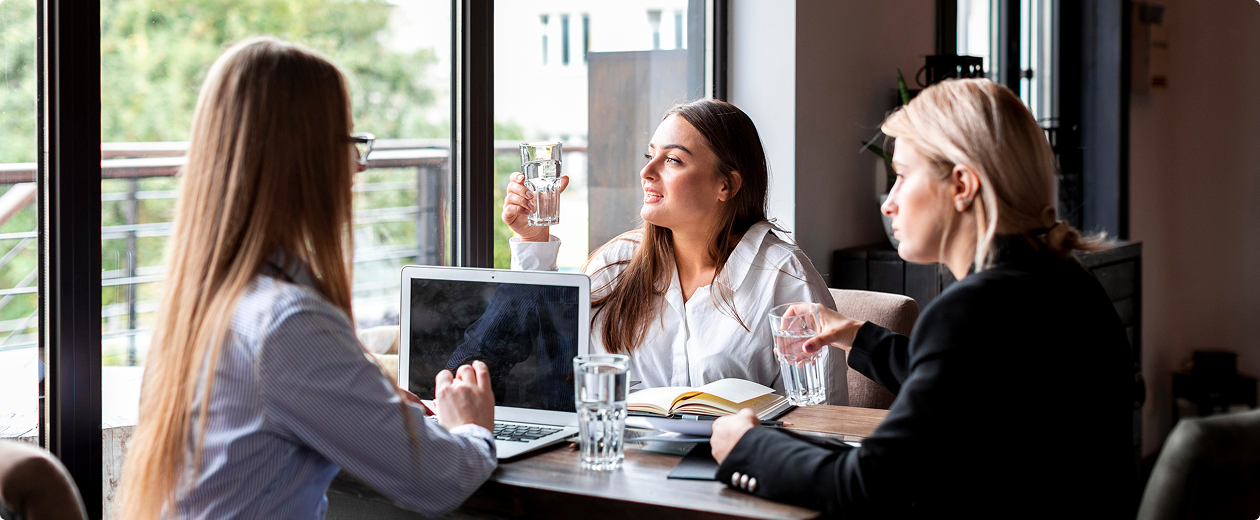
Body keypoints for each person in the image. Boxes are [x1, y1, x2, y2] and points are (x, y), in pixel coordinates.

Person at [710, 79, 1135, 518]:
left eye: (902, 176)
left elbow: (867, 486)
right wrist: (855, 335)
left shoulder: (974, 307)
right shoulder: (1065, 280)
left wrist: (748, 448)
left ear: (962, 185)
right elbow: (963, 383)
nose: (889, 203)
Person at [117, 37, 497, 519]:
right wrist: (471, 424)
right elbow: (440, 478)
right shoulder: (287, 321)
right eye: (347, 143)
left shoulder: (210, 300)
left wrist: (367, 400)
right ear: (304, 160)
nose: (357, 166)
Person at [502, 99, 844, 404]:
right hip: (625, 454)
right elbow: (540, 360)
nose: (646, 172)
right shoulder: (616, 264)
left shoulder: (784, 278)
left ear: (726, 185)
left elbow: (821, 416)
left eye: (673, 160)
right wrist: (533, 241)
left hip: (740, 456)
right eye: (650, 156)